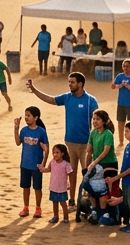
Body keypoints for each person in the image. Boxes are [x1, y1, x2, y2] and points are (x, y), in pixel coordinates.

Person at [27, 71, 98, 215]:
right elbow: (50, 99)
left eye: (72, 82)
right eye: (69, 82)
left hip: (86, 144)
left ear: (80, 84)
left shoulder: (90, 100)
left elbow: (99, 120)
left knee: (87, 175)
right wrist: (34, 90)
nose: (70, 84)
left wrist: (96, 141)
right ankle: (71, 200)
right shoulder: (67, 98)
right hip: (70, 143)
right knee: (71, 173)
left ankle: (88, 203)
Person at [14, 106, 49, 218]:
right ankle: (26, 207)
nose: (26, 117)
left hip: (36, 166)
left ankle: (38, 208)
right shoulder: (24, 130)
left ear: (36, 118)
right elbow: (18, 142)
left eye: (28, 115)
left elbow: (47, 149)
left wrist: (43, 163)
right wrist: (16, 128)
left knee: (37, 188)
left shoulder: (41, 131)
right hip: (25, 164)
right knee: (25, 187)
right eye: (25, 115)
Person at [111, 59, 130, 145]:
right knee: (120, 122)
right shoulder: (120, 76)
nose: (125, 68)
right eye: (124, 66)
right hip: (121, 103)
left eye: (127, 66)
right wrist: (117, 85)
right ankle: (121, 141)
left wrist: (126, 85)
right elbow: (114, 86)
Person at [85, 110, 118, 181]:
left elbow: (105, 151)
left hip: (109, 164)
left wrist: (94, 162)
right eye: (93, 119)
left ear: (104, 121)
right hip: (97, 164)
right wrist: (87, 168)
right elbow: (89, 151)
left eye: (98, 119)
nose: (95, 121)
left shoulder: (108, 133)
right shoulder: (93, 132)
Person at [46, 143, 72, 223]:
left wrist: (70, 184)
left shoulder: (66, 164)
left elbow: (70, 174)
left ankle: (66, 217)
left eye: (57, 152)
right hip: (53, 187)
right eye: (54, 152)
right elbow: (48, 169)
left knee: (63, 203)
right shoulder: (52, 162)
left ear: (62, 153)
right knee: (55, 203)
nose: (55, 154)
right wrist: (42, 169)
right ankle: (55, 216)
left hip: (62, 188)